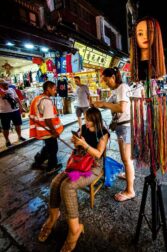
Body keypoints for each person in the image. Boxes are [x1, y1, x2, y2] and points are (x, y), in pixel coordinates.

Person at [37, 107, 109, 252]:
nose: (86, 122)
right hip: (79, 163)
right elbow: (78, 146)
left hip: (92, 168)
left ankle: (75, 230)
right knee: (56, 182)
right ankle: (53, 217)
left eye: (89, 120)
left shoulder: (103, 133)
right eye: (85, 119)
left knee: (67, 186)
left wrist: (85, 145)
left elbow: (98, 154)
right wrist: (76, 141)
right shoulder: (83, 127)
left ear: (95, 119)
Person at [93, 67, 135, 202]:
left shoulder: (122, 87)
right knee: (128, 157)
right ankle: (129, 175)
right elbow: (108, 104)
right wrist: (97, 104)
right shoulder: (116, 90)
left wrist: (104, 103)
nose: (106, 83)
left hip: (126, 127)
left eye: (106, 80)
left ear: (113, 77)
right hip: (122, 126)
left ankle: (130, 190)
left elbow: (121, 108)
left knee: (126, 159)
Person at [29, 81, 63, 175]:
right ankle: (51, 167)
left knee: (47, 147)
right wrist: (54, 132)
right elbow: (48, 120)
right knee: (53, 149)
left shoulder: (38, 98)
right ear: (48, 89)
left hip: (42, 130)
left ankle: (38, 162)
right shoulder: (47, 101)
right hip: (47, 131)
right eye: (54, 89)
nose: (55, 91)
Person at [130, 16, 166, 82]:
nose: (145, 37)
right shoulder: (136, 67)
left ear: (156, 34)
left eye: (149, 32)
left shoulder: (157, 66)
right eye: (140, 34)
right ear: (135, 37)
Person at [0, 78, 26, 147]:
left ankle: (20, 136)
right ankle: (7, 140)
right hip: (4, 112)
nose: (6, 85)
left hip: (15, 110)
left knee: (18, 125)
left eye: (7, 84)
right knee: (6, 128)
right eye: (4, 84)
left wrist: (21, 107)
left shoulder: (12, 90)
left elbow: (17, 99)